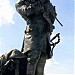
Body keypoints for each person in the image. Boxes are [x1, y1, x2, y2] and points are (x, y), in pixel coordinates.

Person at [15, 0, 57, 75]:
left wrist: (48, 8)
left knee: (42, 60)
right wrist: (38, 4)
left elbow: (52, 18)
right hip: (33, 33)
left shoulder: (47, 3)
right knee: (32, 58)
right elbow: (26, 11)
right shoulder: (22, 2)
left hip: (45, 34)